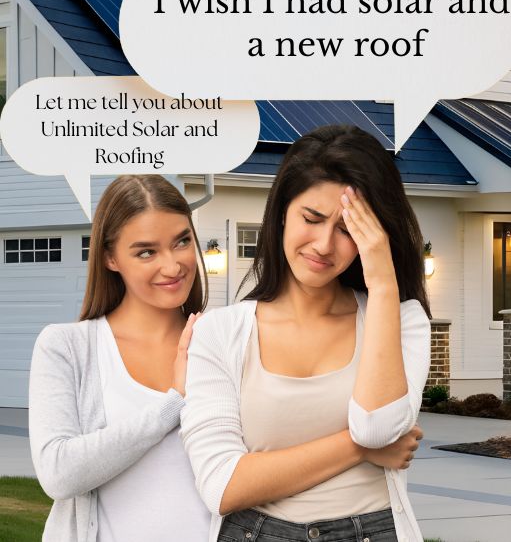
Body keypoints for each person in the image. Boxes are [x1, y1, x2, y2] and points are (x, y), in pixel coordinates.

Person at [181, 124, 430, 542]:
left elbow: (377, 427)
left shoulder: (401, 320)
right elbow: (222, 486)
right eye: (311, 218)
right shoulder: (220, 333)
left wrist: (384, 282)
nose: (323, 244)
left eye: (349, 230)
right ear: (281, 213)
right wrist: (359, 450)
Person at [28, 175, 211, 542]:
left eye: (182, 242)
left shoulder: (222, 340)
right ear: (111, 257)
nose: (173, 266)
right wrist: (173, 404)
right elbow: (58, 473)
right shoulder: (66, 347)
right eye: (146, 252)